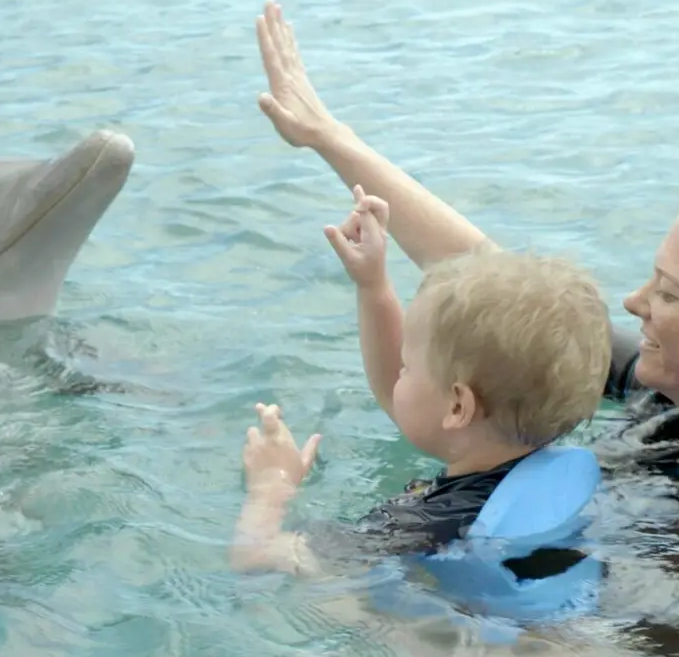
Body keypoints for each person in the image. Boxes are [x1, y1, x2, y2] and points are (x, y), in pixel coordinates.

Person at [250, 0, 679, 654]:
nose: (632, 301)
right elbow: (503, 300)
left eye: (670, 294)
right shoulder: (673, 392)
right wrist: (329, 138)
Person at [230, 183, 612, 597]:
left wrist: (272, 486)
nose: (398, 374)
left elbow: (256, 557)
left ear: (458, 406)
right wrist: (372, 285)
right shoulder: (543, 464)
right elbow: (398, 393)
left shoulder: (425, 525)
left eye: (408, 367)